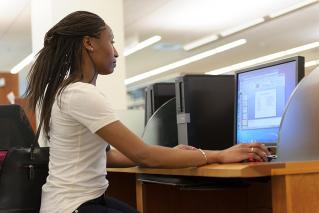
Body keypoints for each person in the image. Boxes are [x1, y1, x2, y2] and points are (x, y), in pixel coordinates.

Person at [25, 11, 270, 213]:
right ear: (89, 43)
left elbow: (108, 157)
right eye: (110, 41)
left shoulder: (67, 92)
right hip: (74, 206)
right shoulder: (81, 94)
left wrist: (171, 153)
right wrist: (218, 155)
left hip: (72, 203)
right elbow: (144, 155)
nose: (116, 51)